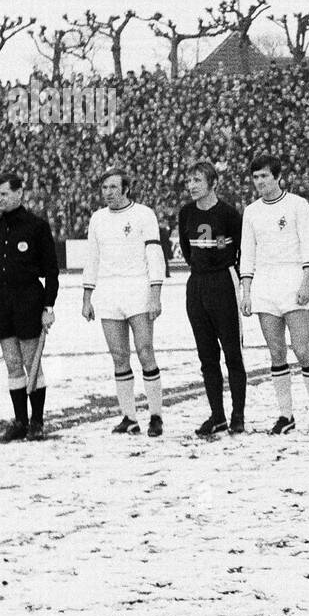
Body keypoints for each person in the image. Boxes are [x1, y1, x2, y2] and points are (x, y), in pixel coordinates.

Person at [239, 154, 309, 435]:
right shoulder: (251, 211)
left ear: (277, 177)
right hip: (265, 285)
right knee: (276, 352)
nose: (260, 182)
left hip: (293, 281)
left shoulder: (297, 205)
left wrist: (305, 282)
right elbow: (248, 253)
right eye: (255, 177)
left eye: (264, 176)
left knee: (302, 350)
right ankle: (285, 415)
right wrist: (247, 291)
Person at [81, 168, 167, 436]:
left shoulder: (143, 214)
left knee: (144, 351)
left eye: (113, 188)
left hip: (137, 289)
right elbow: (92, 258)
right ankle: (129, 417)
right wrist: (87, 297)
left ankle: (155, 415)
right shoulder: (97, 219)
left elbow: (154, 254)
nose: (108, 193)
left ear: (126, 189)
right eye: (104, 188)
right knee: (119, 357)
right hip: (108, 292)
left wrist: (155, 293)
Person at [0, 172, 59, 442]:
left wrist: (48, 306)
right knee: (13, 365)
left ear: (19, 193)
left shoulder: (36, 226)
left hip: (28, 301)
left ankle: (37, 421)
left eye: (3, 194)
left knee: (31, 362)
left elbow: (51, 271)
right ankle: (20, 421)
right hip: (1, 305)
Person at [178, 160, 246, 436]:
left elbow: (240, 249)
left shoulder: (228, 214)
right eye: (189, 181)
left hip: (224, 282)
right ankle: (217, 415)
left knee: (232, 353)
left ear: (213, 183)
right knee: (207, 356)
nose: (192, 186)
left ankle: (237, 414)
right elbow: (186, 249)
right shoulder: (186, 213)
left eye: (197, 180)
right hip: (197, 284)